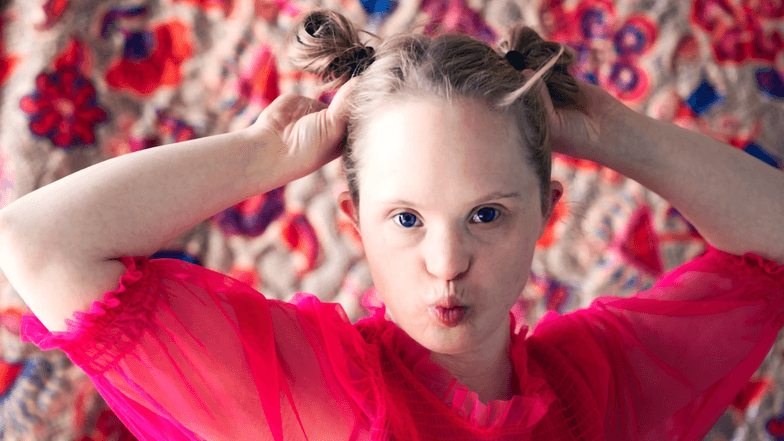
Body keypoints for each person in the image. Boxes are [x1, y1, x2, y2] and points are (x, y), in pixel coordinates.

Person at [0, 7, 783, 441]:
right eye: (406, 217)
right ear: (353, 220)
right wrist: (259, 155)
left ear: (547, 211)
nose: (447, 261)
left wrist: (614, 132)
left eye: (487, 214)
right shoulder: (307, 394)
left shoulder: (594, 391)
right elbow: (38, 242)